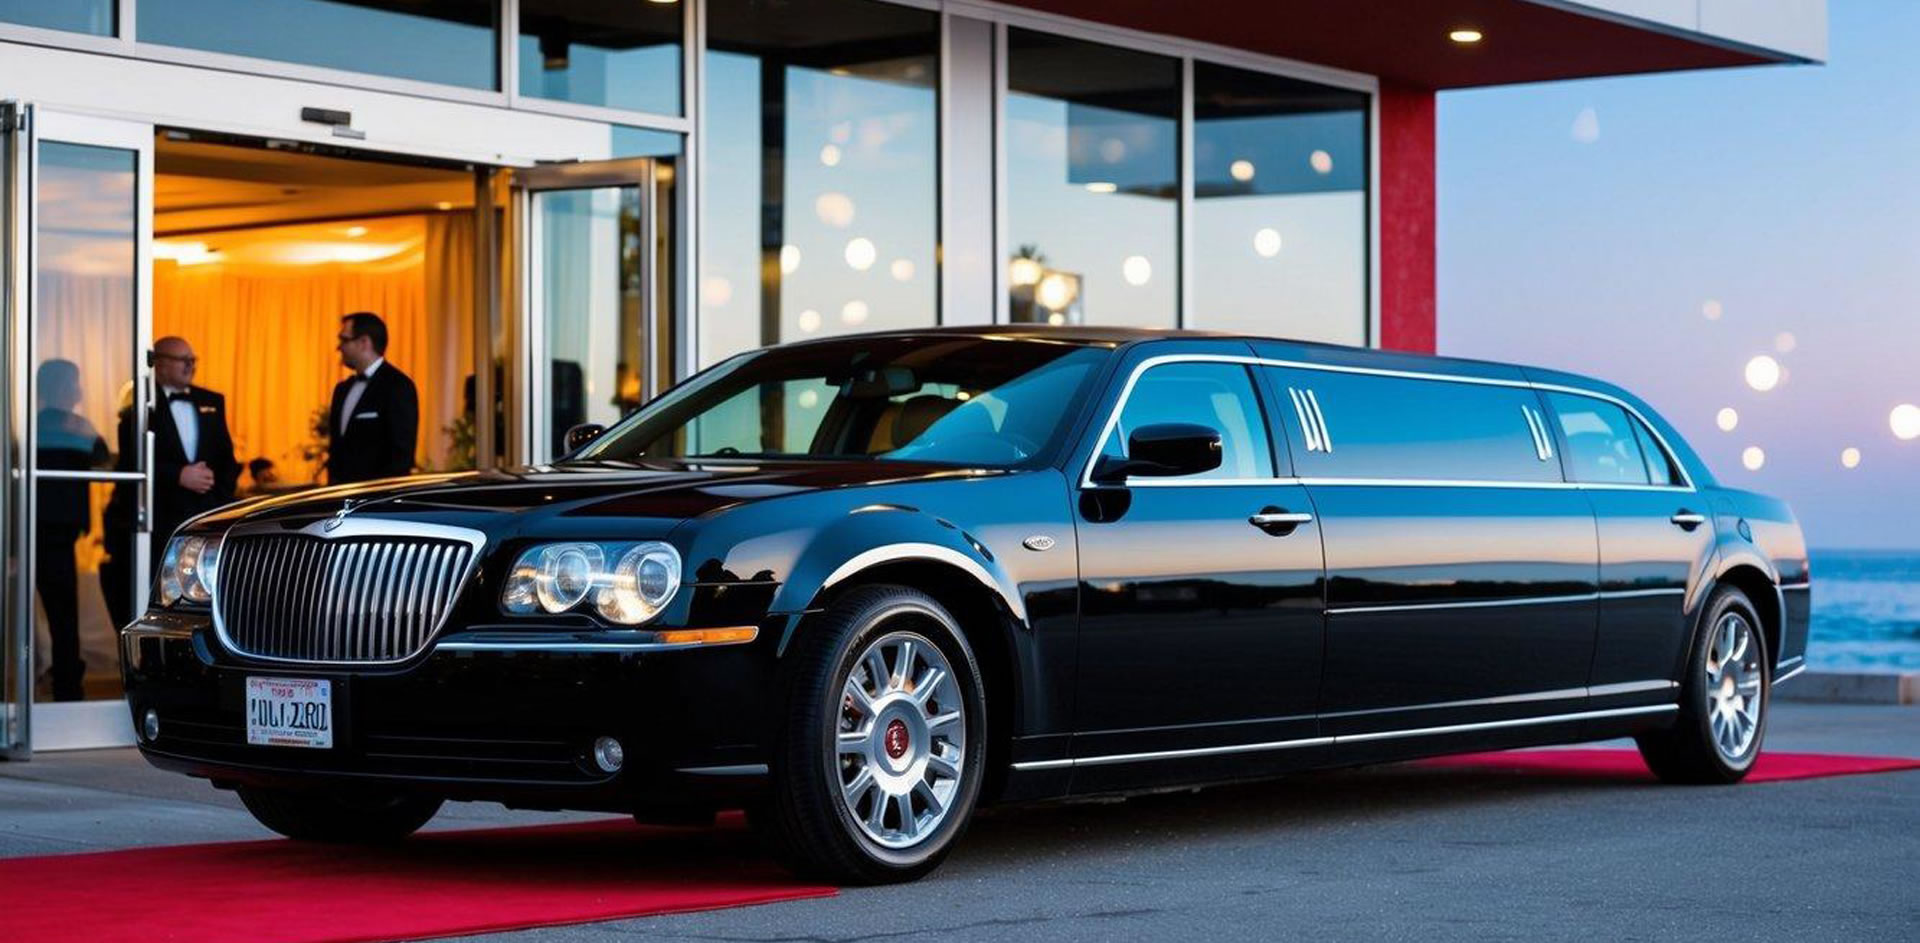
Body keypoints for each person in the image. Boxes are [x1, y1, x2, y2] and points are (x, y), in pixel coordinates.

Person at [101, 337, 240, 631]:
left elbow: (227, 460)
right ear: (160, 364)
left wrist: (218, 500)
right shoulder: (138, 408)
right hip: (158, 519)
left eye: (193, 359)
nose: (190, 365)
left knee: (207, 595)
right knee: (159, 595)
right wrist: (177, 475)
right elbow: (131, 464)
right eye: (182, 360)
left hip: (205, 517)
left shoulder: (212, 401)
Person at [34, 360, 110, 701]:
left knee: (53, 608)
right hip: (56, 531)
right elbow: (104, 456)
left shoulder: (32, 424)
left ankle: (57, 675)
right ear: (65, 388)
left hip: (38, 526)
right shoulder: (76, 427)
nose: (80, 389)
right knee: (64, 611)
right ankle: (67, 685)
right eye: (76, 382)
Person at [327, 311, 419, 485]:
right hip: (340, 500)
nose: (339, 347)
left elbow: (401, 457)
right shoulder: (342, 390)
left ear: (364, 343)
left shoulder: (398, 386)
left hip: (377, 502)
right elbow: (336, 452)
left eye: (344, 339)